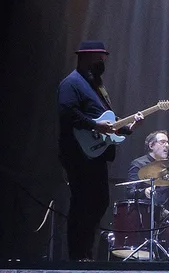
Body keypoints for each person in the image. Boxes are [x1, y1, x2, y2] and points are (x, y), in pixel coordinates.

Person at [58, 40, 142, 260]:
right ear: (86, 57)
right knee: (82, 202)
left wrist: (127, 129)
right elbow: (68, 113)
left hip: (95, 154)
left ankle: (85, 252)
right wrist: (95, 126)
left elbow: (107, 122)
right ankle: (78, 255)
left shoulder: (96, 86)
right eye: (100, 57)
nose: (104, 61)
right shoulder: (71, 83)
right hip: (78, 153)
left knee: (98, 201)